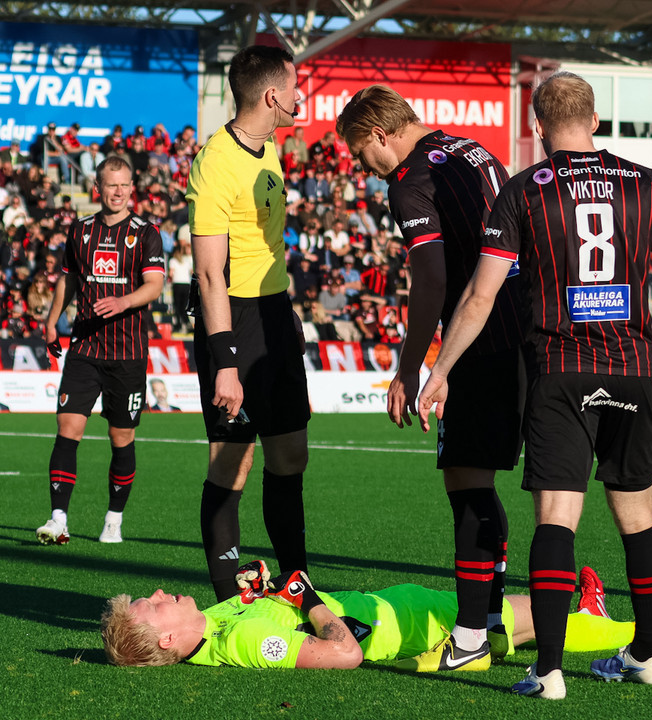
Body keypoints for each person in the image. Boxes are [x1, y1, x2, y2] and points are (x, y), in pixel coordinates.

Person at [416, 71, 652, 697]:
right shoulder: (647, 183)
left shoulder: (524, 190)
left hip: (560, 371)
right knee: (639, 517)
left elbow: (479, 295)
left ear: (537, 125)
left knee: (557, 519)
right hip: (631, 370)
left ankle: (548, 672)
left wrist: (440, 370)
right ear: (596, 121)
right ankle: (646, 655)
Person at [337, 85, 526, 673]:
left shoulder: (410, 179)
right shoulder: (474, 150)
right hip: (527, 329)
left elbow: (433, 279)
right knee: (486, 482)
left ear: (379, 134)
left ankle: (469, 639)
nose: (361, 167)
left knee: (465, 482)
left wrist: (410, 364)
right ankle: (490, 622)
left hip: (480, 341)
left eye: (360, 152)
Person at [185, 44, 312, 603]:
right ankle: (225, 604)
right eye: (294, 87)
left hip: (274, 314)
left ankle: (298, 588)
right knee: (231, 464)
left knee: (291, 456)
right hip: (232, 320)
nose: (300, 96)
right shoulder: (216, 161)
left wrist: (285, 314)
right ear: (272, 96)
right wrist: (225, 362)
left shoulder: (269, 148)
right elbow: (209, 273)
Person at [101, 559, 652, 669]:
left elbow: (266, 601)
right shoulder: (244, 644)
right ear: (169, 639)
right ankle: (650, 629)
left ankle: (591, 615)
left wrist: (263, 586)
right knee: (525, 614)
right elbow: (343, 653)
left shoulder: (215, 621)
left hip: (397, 607)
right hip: (403, 626)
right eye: (152, 606)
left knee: (521, 619)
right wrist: (306, 598)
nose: (159, 592)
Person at [35, 156, 165, 546]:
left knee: (120, 436)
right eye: (111, 185)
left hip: (127, 352)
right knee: (67, 427)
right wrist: (51, 321)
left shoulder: (146, 234)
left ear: (132, 188)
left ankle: (113, 519)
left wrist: (123, 302)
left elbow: (154, 285)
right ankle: (58, 519)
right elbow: (68, 280)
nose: (118, 191)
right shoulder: (80, 230)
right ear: (98, 188)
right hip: (85, 347)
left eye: (124, 185)